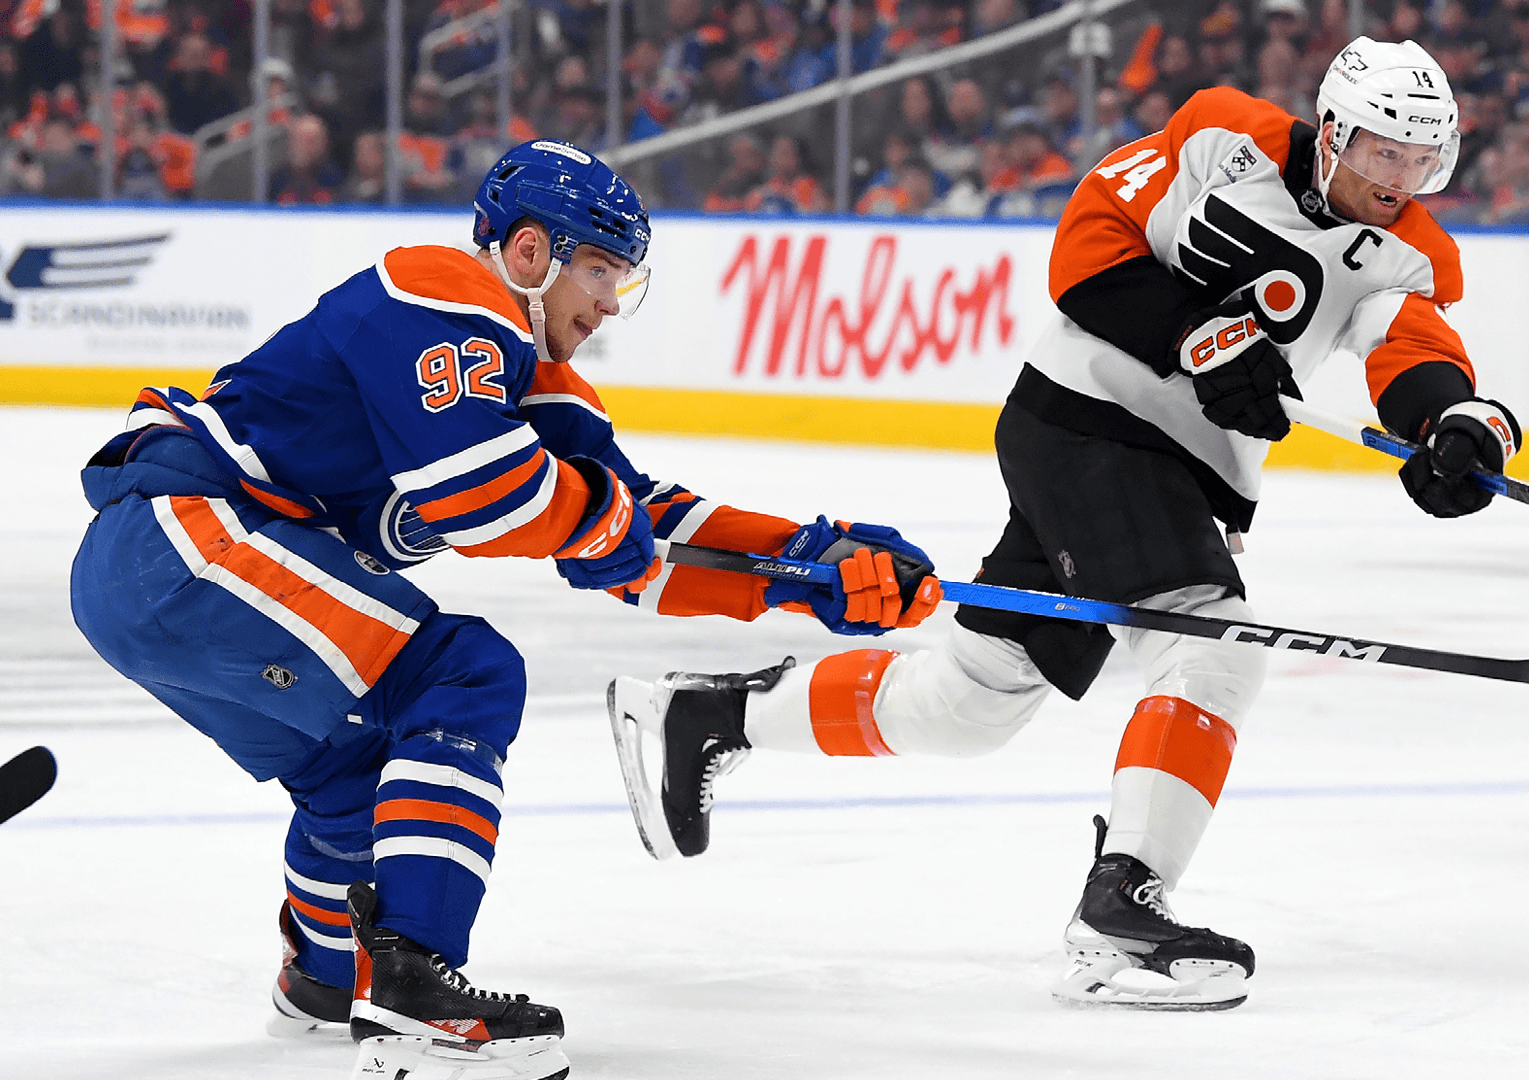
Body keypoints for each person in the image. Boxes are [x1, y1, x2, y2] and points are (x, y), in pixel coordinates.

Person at [610, 39, 1520, 1010]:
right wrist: (1197, 336)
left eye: (1421, 160)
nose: (1399, 179)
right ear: (1334, 132)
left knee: (968, 703)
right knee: (1213, 647)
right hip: (1088, 420)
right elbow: (1088, 242)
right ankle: (1123, 904)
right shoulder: (1223, 136)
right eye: (1384, 152)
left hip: (1179, 472)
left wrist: (1455, 425)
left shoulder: (1412, 252)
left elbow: (1410, 348)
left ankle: (707, 717)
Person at [67, 139, 939, 1080]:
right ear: (529, 251)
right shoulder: (440, 289)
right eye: (599, 270)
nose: (610, 303)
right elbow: (483, 496)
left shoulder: (528, 376)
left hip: (153, 578)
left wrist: (806, 565)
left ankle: (325, 977)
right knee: (463, 674)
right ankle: (411, 988)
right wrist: (605, 520)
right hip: (187, 540)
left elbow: (636, 533)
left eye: (622, 279)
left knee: (348, 776)